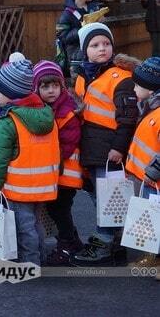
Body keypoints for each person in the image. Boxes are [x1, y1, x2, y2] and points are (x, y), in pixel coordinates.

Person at [70, 23, 139, 266]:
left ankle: (103, 243)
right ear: (84, 50)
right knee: (101, 196)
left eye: (106, 44)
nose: (102, 49)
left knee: (107, 198)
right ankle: (116, 241)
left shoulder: (121, 78)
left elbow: (128, 119)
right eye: (95, 45)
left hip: (109, 149)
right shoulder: (83, 77)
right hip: (90, 147)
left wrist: (119, 148)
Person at [0, 58, 61, 266]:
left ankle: (30, 262)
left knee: (24, 226)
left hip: (19, 187)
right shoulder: (46, 114)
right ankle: (40, 257)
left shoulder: (8, 122)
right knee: (35, 223)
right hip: (44, 184)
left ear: (10, 94)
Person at [32, 60, 84, 265]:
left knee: (58, 209)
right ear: (37, 88)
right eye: (45, 87)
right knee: (59, 209)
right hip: (56, 171)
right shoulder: (46, 108)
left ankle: (66, 244)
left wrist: (51, 158)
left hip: (65, 172)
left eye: (55, 86)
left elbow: (68, 142)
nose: (51, 91)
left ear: (62, 86)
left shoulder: (66, 110)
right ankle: (73, 240)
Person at [124, 57, 160, 272]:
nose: (134, 88)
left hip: (153, 178)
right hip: (146, 177)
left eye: (138, 85)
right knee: (151, 219)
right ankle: (152, 258)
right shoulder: (149, 108)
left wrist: (154, 171)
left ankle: (155, 260)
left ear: (151, 88)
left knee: (155, 220)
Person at [56, 0, 98, 79]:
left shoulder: (94, 8)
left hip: (93, 52)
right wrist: (82, 29)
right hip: (76, 57)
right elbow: (63, 37)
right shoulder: (67, 14)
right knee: (78, 83)